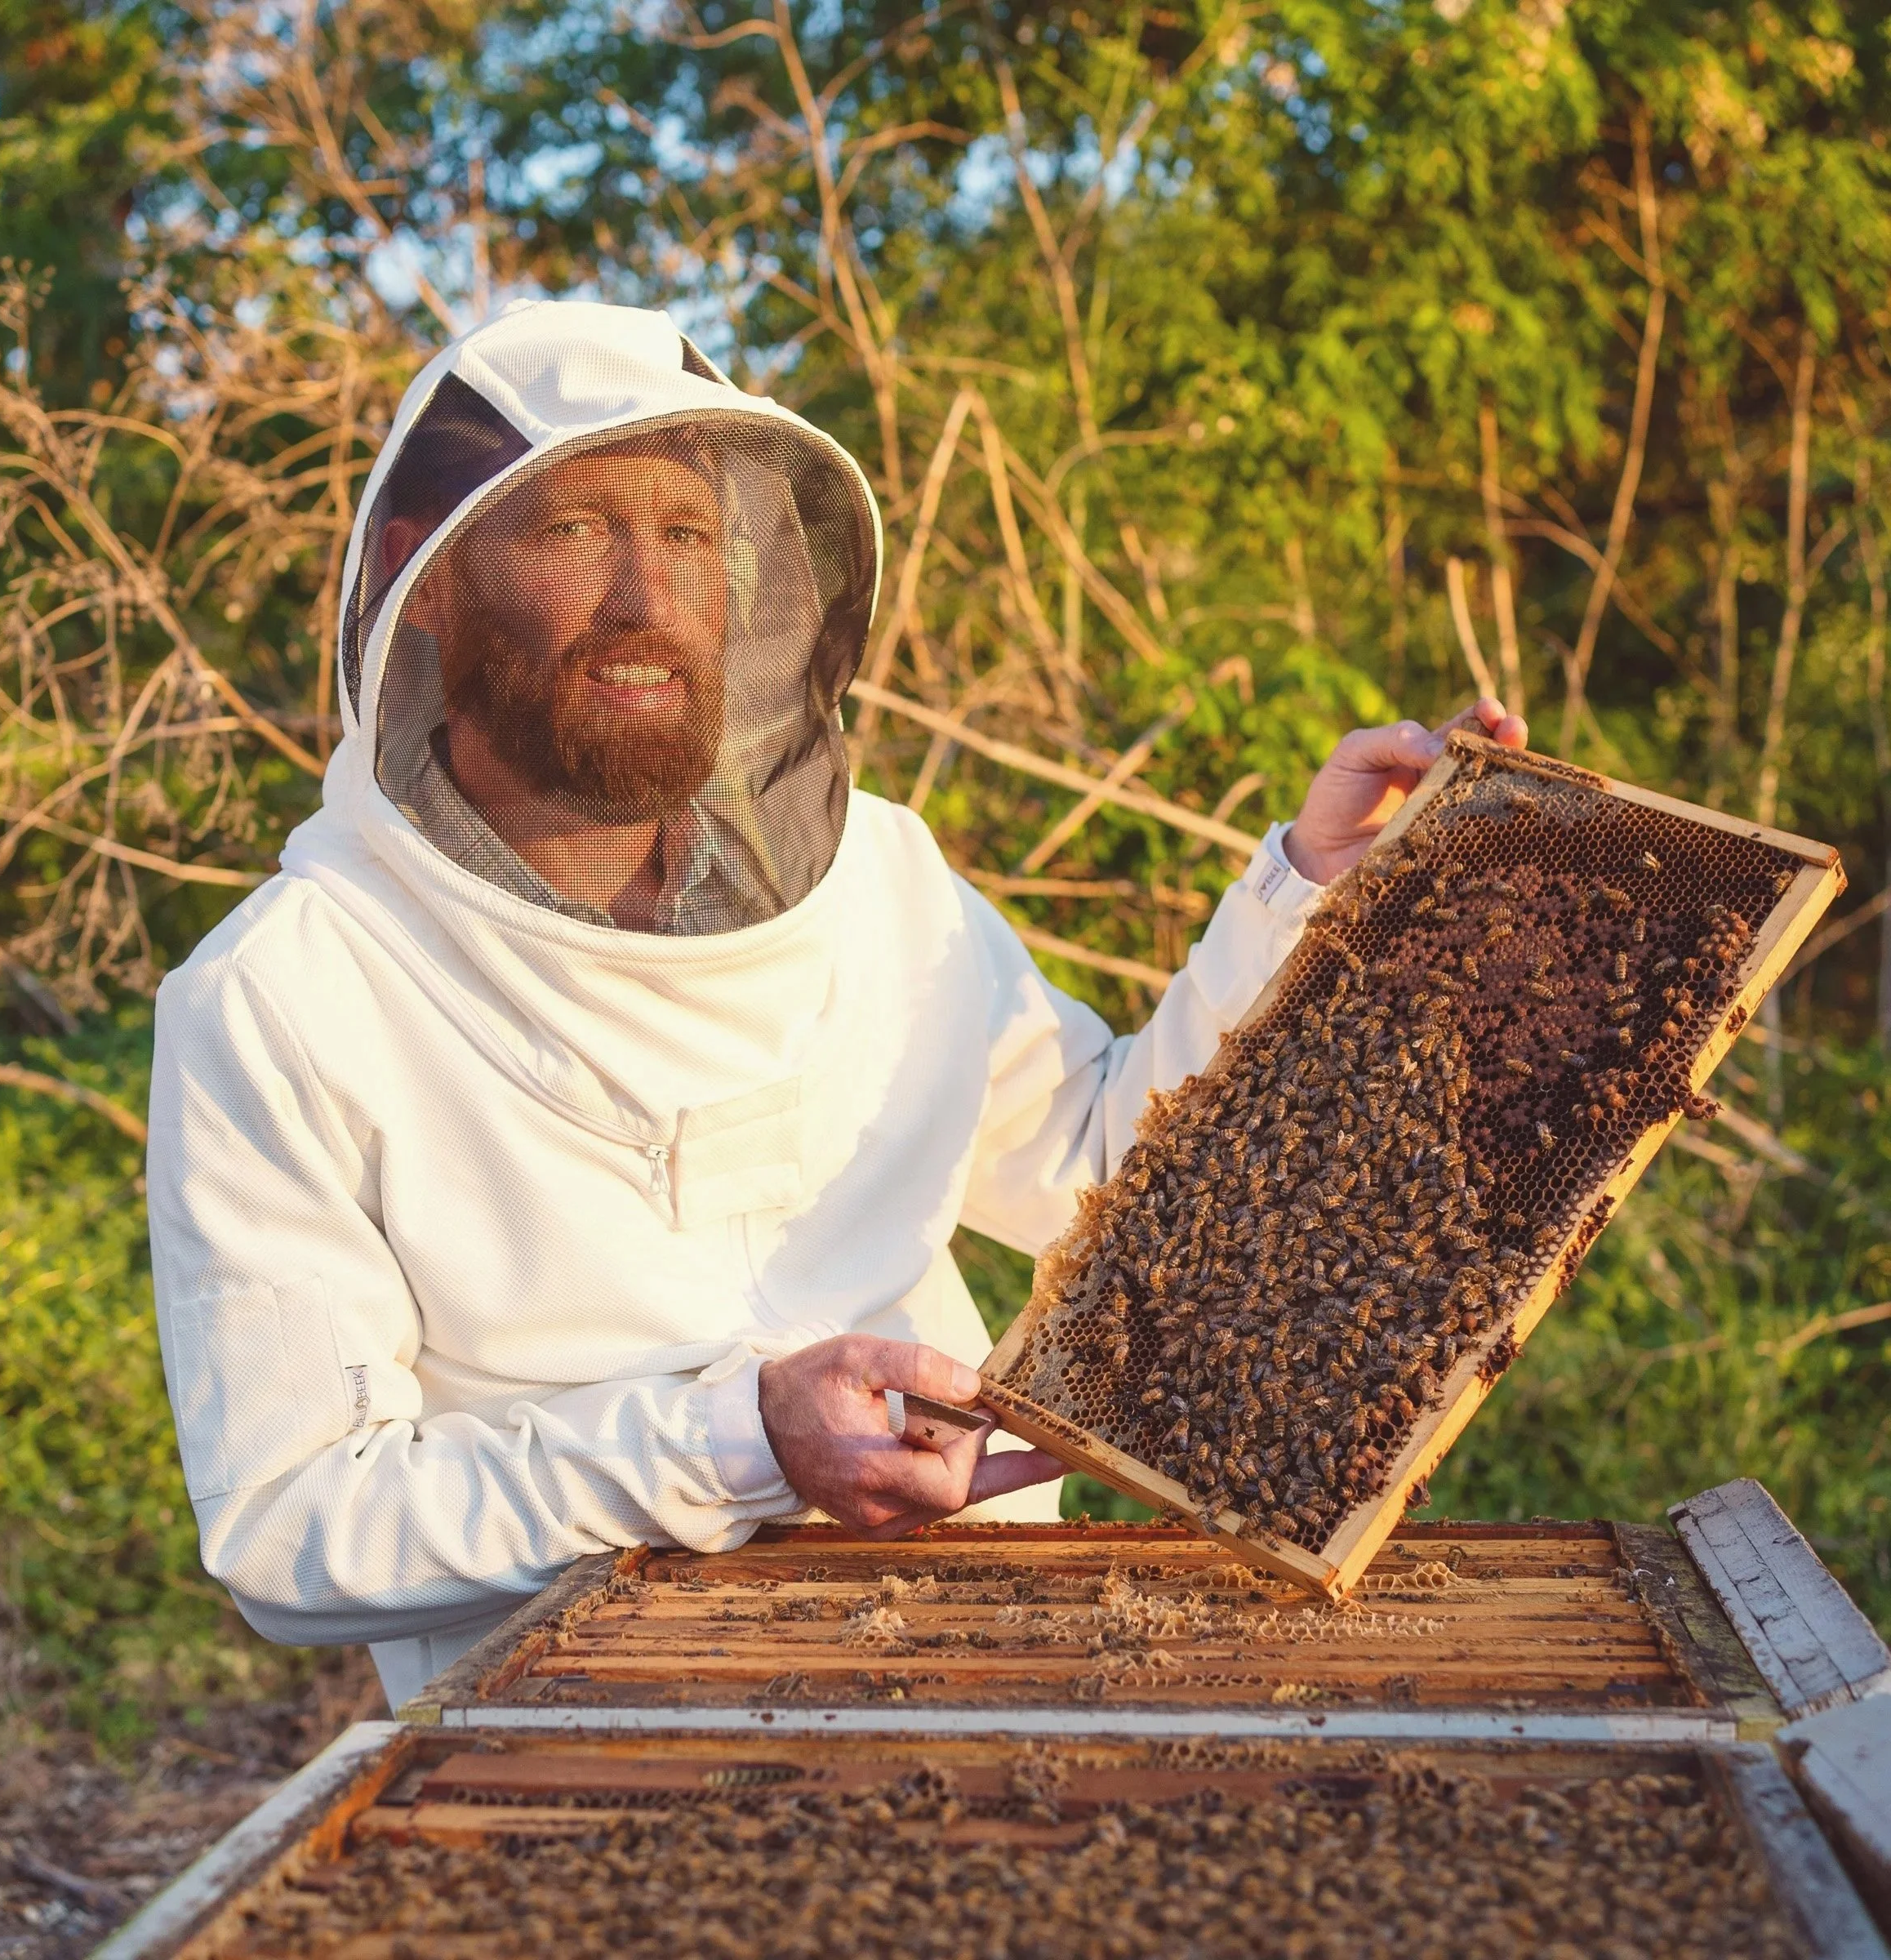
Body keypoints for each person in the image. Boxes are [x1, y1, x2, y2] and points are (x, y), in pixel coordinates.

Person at [146, 301, 1528, 1708]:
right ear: (420, 575)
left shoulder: (880, 880)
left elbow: (1103, 1182)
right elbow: (293, 1531)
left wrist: (1308, 893)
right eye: (575, 531)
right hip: (590, 1748)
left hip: (990, 1664)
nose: (646, 596)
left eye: (686, 534)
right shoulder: (284, 997)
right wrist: (739, 1438)